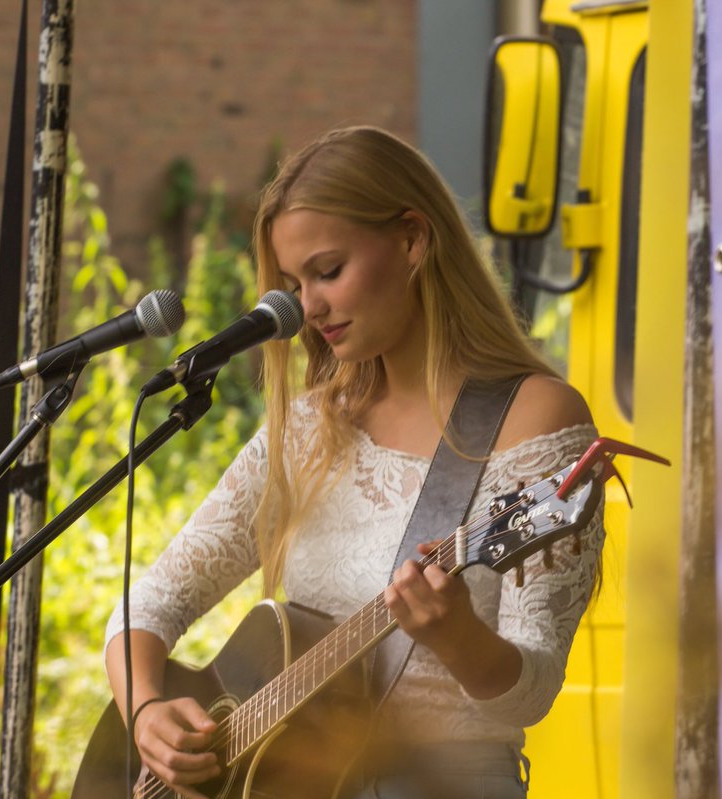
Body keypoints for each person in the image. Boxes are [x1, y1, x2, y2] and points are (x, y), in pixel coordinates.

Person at [101, 125, 603, 798]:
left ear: (413, 240)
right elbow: (149, 604)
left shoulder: (536, 419)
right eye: (292, 283)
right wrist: (145, 710)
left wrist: (457, 638)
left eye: (328, 271)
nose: (308, 307)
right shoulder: (311, 425)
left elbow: (531, 694)